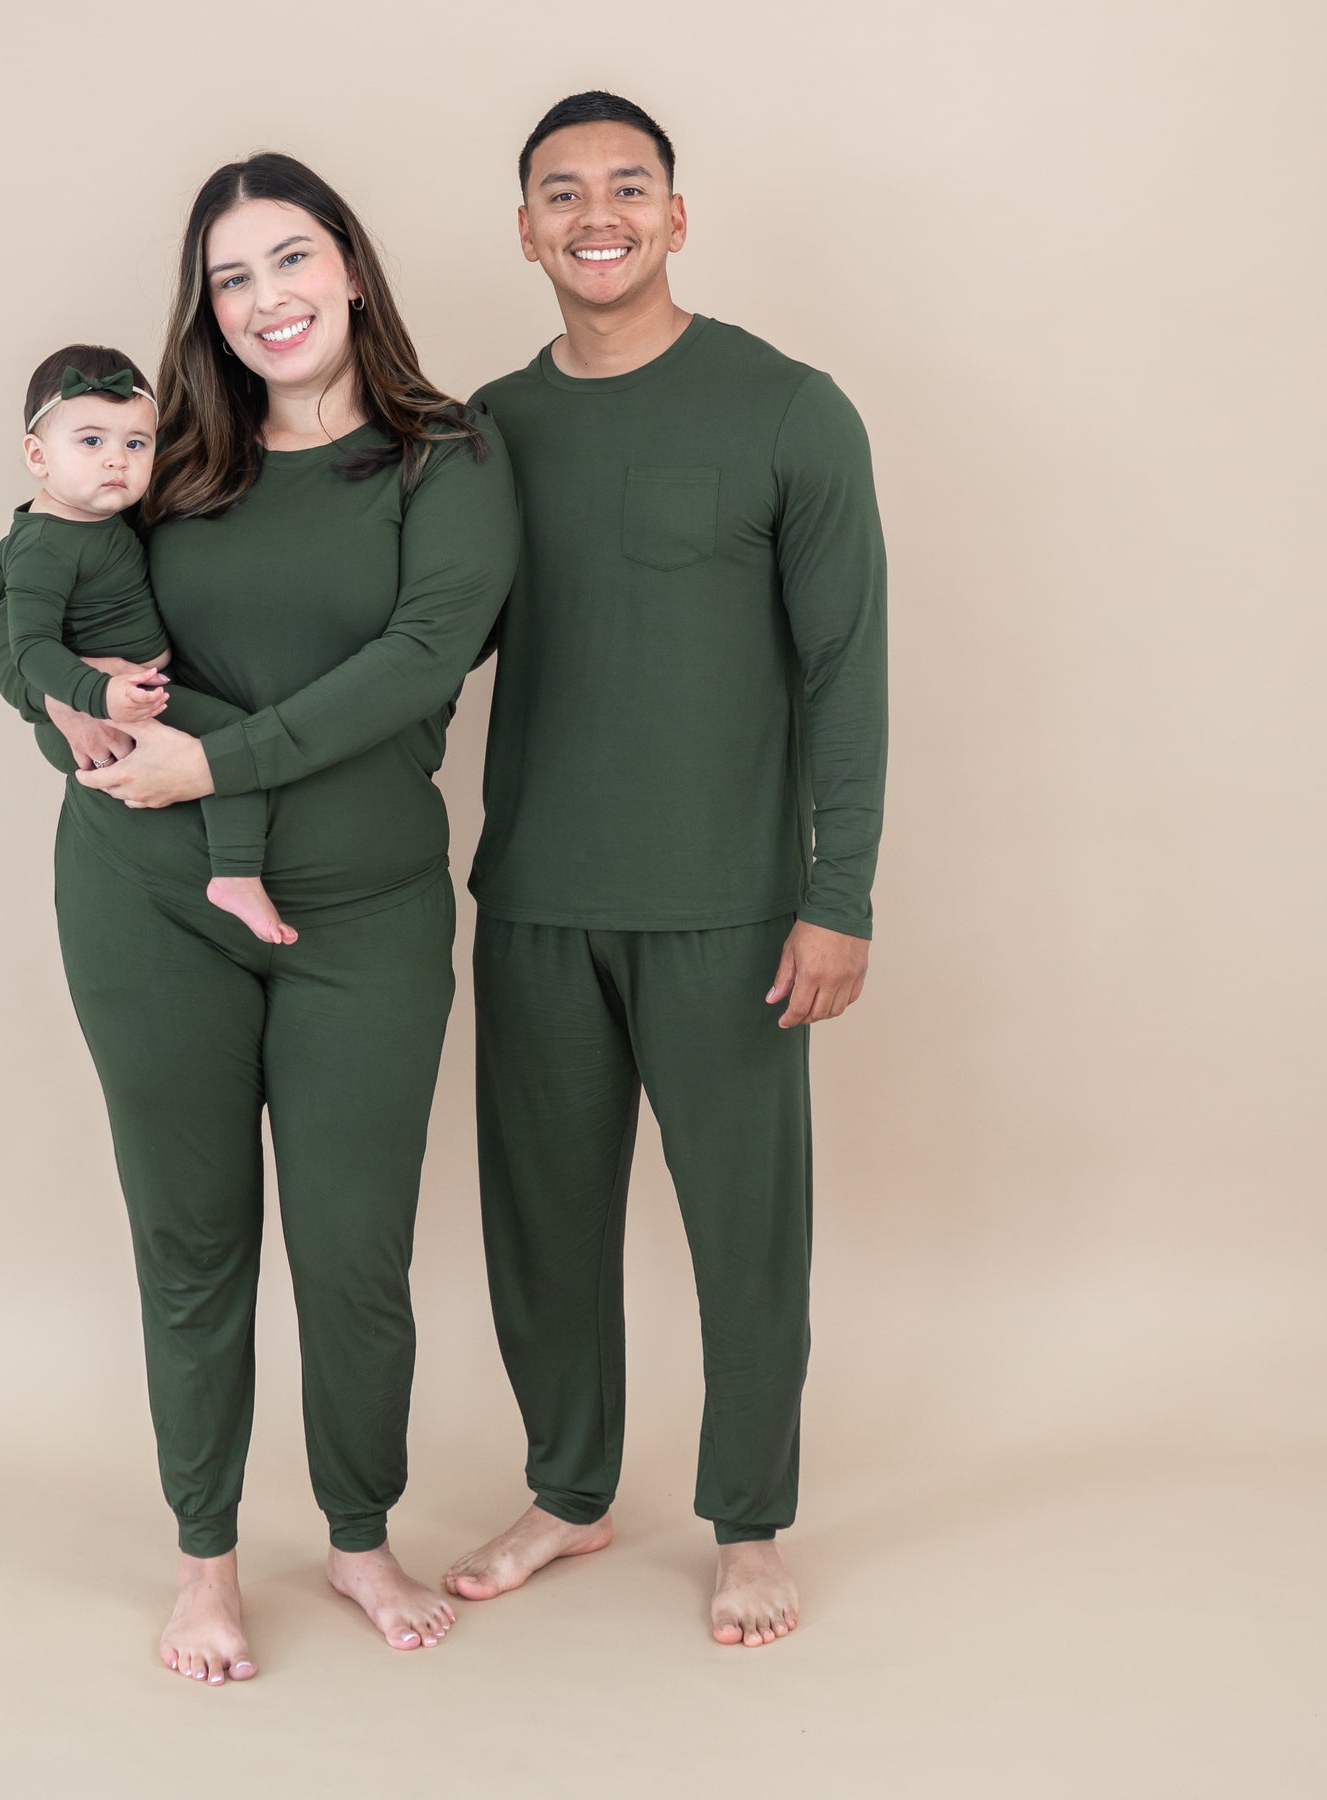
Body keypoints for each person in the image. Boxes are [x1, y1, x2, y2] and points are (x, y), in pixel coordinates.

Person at [0, 153, 519, 1684]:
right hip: (150, 906)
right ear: (203, 308)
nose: (267, 299)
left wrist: (214, 758)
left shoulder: (448, 454)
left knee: (355, 1251)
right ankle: (205, 1563)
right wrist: (77, 733)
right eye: (231, 276)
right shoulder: (164, 463)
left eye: (291, 259)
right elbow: (39, 623)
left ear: (350, 266)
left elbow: (425, 659)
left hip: (367, 914)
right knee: (194, 1245)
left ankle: (358, 1537)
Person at [443, 92, 889, 1651]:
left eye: (627, 185)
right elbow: (419, 652)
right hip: (536, 904)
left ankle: (749, 1526)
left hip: (733, 913)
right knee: (542, 1230)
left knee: (746, 1236)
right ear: (526, 230)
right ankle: (571, 1493)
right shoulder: (486, 431)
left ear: (676, 216)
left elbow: (848, 669)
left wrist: (842, 893)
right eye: (561, 191)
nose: (596, 212)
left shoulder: (789, 410)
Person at [0, 344, 291, 944]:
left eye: (136, 443)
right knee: (234, 742)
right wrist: (96, 697)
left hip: (133, 688)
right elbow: (29, 646)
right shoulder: (43, 547)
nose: (117, 462)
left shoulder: (107, 517)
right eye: (91, 441)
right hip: (108, 701)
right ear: (37, 456)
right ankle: (235, 874)